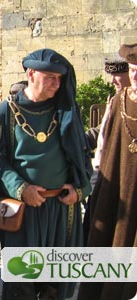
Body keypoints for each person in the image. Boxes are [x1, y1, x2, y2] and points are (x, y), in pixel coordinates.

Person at [0, 49, 92, 300]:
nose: (56, 83)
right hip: (23, 213)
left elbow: (82, 158)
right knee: (21, 285)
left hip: (61, 211)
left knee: (55, 285)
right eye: (50, 77)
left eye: (60, 78)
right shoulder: (7, 112)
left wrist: (79, 190)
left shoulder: (67, 112)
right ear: (30, 74)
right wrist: (21, 188)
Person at [77, 40, 137, 300]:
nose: (135, 75)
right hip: (114, 185)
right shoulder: (117, 102)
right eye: (133, 69)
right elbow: (103, 143)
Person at [82, 56, 130, 242]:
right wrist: (82, 140)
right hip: (104, 172)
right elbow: (104, 131)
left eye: (117, 74)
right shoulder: (116, 99)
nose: (112, 80)